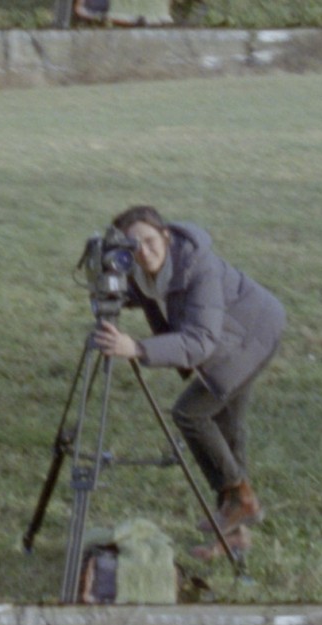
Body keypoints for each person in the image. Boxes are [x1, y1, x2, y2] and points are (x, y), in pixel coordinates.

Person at [93, 205, 286, 558]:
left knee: (191, 413)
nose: (144, 252)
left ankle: (241, 498)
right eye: (133, 247)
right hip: (226, 336)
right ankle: (235, 536)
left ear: (166, 236)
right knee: (227, 431)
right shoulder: (139, 266)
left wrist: (137, 347)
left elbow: (199, 341)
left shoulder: (199, 267)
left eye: (151, 241)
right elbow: (146, 292)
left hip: (252, 336)